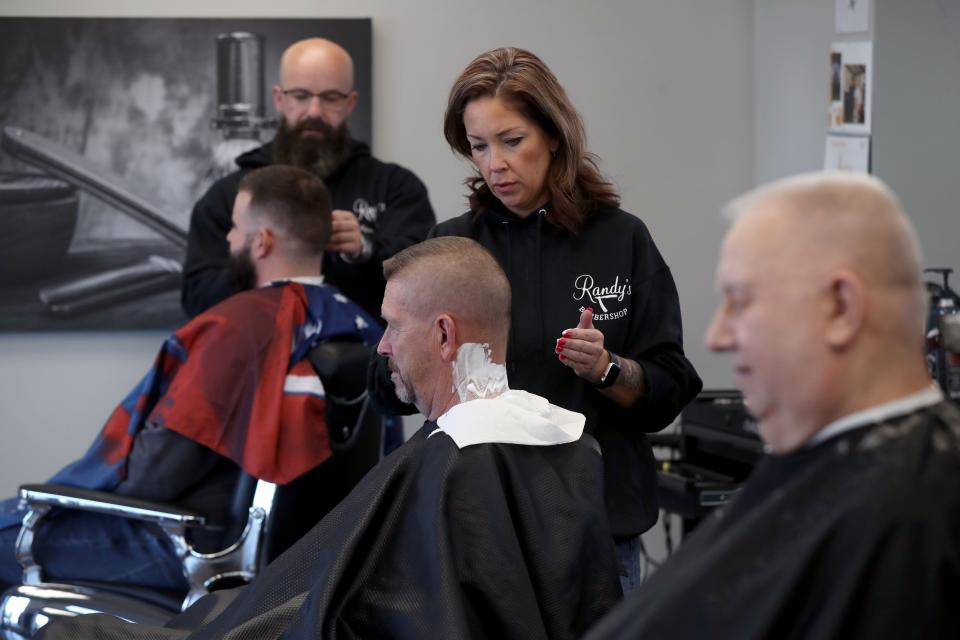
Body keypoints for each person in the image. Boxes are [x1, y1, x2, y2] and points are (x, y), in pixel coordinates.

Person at [38, 237, 624, 640]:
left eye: (393, 325)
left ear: (445, 335)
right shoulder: (566, 445)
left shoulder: (449, 465)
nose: (383, 345)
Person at [371, 46, 702, 592]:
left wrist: (607, 368)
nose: (495, 164)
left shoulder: (622, 240)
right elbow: (384, 381)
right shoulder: (450, 249)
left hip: (598, 533)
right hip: (477, 530)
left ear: (553, 134)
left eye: (512, 141)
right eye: (479, 146)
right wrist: (418, 363)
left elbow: (669, 388)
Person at [585, 172, 960, 639]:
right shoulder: (837, 473)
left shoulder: (914, 522)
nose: (717, 336)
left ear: (841, 308)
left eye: (741, 302)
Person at [0, 165, 382, 594]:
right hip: (311, 556)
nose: (228, 240)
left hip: (191, 544)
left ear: (262, 241)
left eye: (236, 229)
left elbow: (156, 476)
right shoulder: (360, 326)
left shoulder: (237, 329)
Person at [182, 37, 436, 321]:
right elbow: (197, 298)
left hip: (369, 362)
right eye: (301, 96)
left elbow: (427, 291)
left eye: (330, 98)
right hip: (257, 361)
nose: (314, 111)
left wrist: (366, 250)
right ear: (279, 99)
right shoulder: (230, 195)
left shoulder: (395, 188)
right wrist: (262, 261)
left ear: (350, 103)